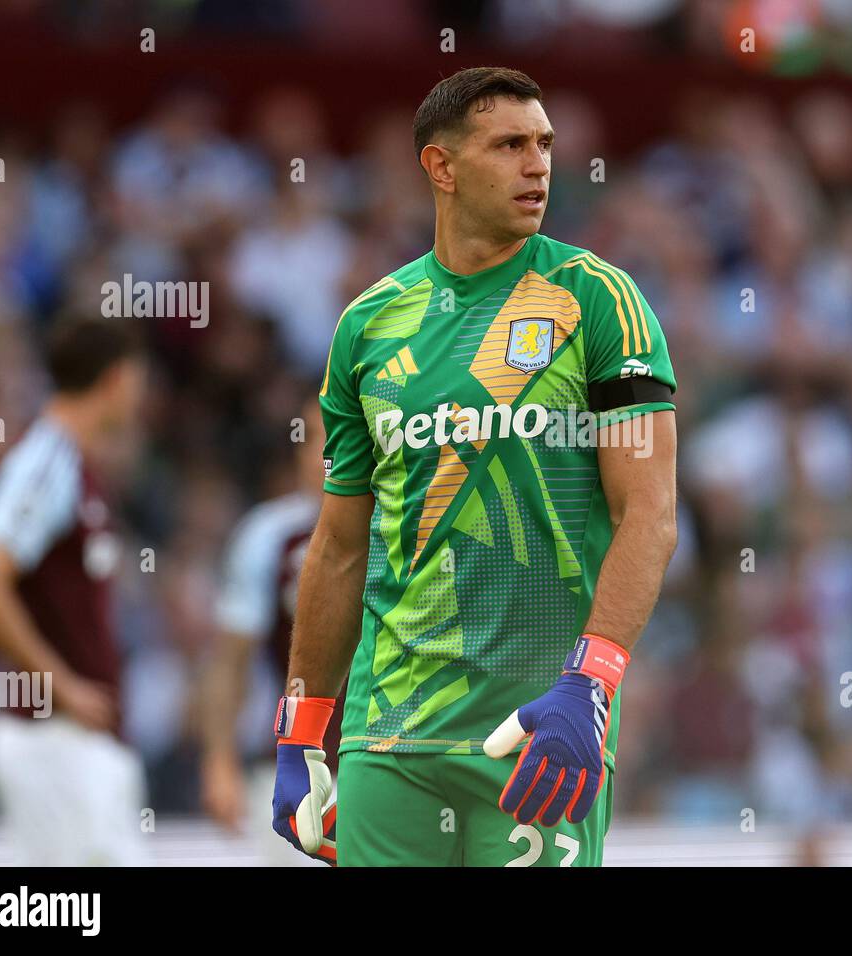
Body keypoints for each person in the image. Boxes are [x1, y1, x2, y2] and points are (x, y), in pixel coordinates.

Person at [272, 66, 678, 866]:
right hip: (388, 735)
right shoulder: (367, 326)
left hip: (534, 728)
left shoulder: (597, 301)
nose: (539, 165)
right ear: (441, 169)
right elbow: (340, 545)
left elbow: (649, 516)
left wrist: (590, 685)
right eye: (510, 145)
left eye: (545, 145)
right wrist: (301, 727)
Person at [0, 315, 149, 865]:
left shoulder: (73, 467)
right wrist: (61, 686)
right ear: (115, 380)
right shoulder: (47, 464)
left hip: (75, 744)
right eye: (137, 379)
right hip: (52, 741)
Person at [200, 397, 337, 865]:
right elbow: (229, 661)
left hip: (385, 760)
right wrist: (220, 760)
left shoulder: (402, 528)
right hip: (296, 763)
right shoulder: (268, 536)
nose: (327, 453)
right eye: (316, 439)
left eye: (340, 436)